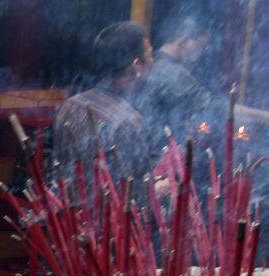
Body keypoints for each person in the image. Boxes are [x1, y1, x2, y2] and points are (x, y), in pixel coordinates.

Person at [137, 11, 269, 154]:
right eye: (201, 45)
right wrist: (264, 116)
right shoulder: (172, 73)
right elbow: (216, 109)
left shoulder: (157, 65)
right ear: (185, 41)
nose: (202, 53)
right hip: (160, 160)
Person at [53, 21, 154, 185]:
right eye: (150, 56)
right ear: (137, 66)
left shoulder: (70, 105)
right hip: (107, 210)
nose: (153, 62)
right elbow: (136, 196)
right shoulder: (129, 122)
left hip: (67, 208)